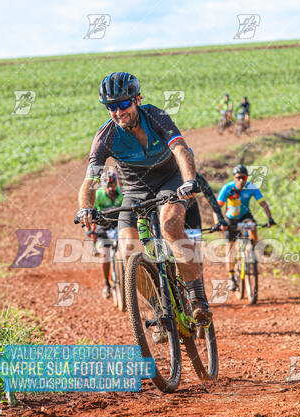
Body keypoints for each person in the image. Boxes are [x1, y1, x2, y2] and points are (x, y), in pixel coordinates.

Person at [76, 71, 212, 324]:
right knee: (127, 249)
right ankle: (159, 308)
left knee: (171, 226)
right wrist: (86, 208)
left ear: (137, 99)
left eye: (124, 104)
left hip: (170, 180)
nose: (119, 112)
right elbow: (90, 180)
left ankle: (197, 297)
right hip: (135, 190)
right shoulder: (105, 136)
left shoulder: (155, 116)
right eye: (111, 107)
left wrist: (190, 180)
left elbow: (180, 148)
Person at [214, 164, 276, 291]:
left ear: (247, 178)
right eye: (238, 177)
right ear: (234, 178)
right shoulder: (227, 188)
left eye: (244, 177)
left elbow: (263, 204)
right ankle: (231, 277)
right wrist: (218, 223)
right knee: (230, 250)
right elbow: (217, 208)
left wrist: (270, 218)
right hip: (230, 219)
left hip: (244, 216)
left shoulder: (251, 187)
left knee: (252, 225)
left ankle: (253, 248)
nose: (241, 180)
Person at [90, 169, 123, 298]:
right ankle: (106, 285)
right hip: (103, 225)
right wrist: (91, 233)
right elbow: (90, 215)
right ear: (103, 186)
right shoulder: (98, 195)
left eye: (113, 185)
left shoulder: (123, 193)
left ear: (116, 184)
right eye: (108, 186)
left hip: (119, 223)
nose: (111, 188)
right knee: (105, 255)